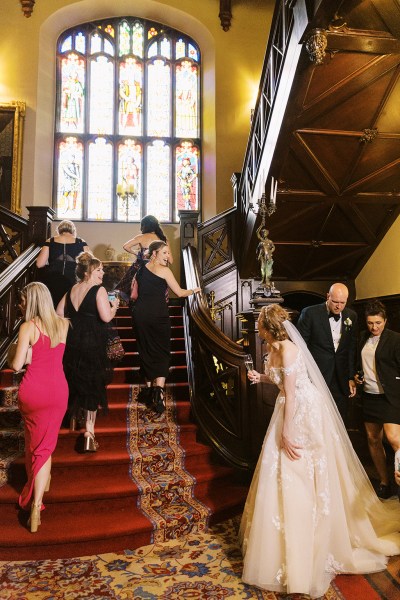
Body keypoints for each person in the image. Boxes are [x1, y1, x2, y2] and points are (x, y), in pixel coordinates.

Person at [240, 305, 400, 598]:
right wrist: (260, 378)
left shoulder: (288, 350)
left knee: (301, 466)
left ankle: (314, 535)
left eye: (259, 325)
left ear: (266, 328)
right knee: (283, 470)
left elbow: (291, 395)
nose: (256, 330)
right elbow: (280, 384)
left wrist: (287, 432)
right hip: (288, 408)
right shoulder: (272, 349)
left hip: (302, 412)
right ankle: (286, 538)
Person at [10, 282, 70, 533]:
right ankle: (42, 488)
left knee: (37, 443)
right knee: (46, 442)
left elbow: (16, 365)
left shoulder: (27, 327)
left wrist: (25, 353)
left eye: (23, 302)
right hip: (57, 390)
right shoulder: (63, 324)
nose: (21, 306)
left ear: (30, 302)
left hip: (34, 391)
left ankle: (36, 505)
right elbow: (55, 356)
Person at [57, 252, 120, 451]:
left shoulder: (72, 289)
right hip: (93, 342)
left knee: (76, 380)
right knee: (93, 384)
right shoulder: (98, 290)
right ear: (88, 272)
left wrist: (76, 322)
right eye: (99, 269)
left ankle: (74, 419)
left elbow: (59, 313)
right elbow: (106, 317)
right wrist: (115, 306)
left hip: (74, 341)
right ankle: (89, 433)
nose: (103, 272)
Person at [132, 240, 200, 413]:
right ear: (154, 253)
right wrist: (195, 290)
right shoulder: (165, 271)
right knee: (162, 351)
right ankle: (158, 393)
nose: (168, 257)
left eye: (168, 253)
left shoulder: (140, 270)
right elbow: (179, 292)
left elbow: (133, 295)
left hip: (140, 314)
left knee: (145, 350)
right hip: (158, 315)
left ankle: (148, 391)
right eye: (165, 253)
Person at [355, 299, 400, 500]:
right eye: (371, 323)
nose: (374, 327)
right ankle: (384, 481)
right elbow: (358, 363)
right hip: (369, 396)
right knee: (373, 439)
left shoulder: (395, 339)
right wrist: (357, 375)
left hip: (390, 397)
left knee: (394, 438)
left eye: (378, 323)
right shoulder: (362, 338)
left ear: (385, 321)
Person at [296, 282, 357, 421]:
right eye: (335, 301)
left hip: (341, 377)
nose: (338, 306)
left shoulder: (351, 316)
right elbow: (300, 347)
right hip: (317, 374)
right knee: (317, 418)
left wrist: (350, 377)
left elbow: (351, 348)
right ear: (328, 296)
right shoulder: (310, 313)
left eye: (343, 302)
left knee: (339, 419)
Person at [115, 214, 172, 302]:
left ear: (144, 226)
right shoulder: (163, 239)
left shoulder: (141, 237)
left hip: (142, 270)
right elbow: (171, 261)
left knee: (135, 292)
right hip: (158, 271)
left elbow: (126, 246)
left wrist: (137, 254)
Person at [36, 220, 89, 307]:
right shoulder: (81, 242)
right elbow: (89, 263)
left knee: (54, 306)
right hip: (73, 280)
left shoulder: (50, 241)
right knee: (70, 307)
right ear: (73, 230)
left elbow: (39, 264)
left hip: (53, 279)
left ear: (59, 230)